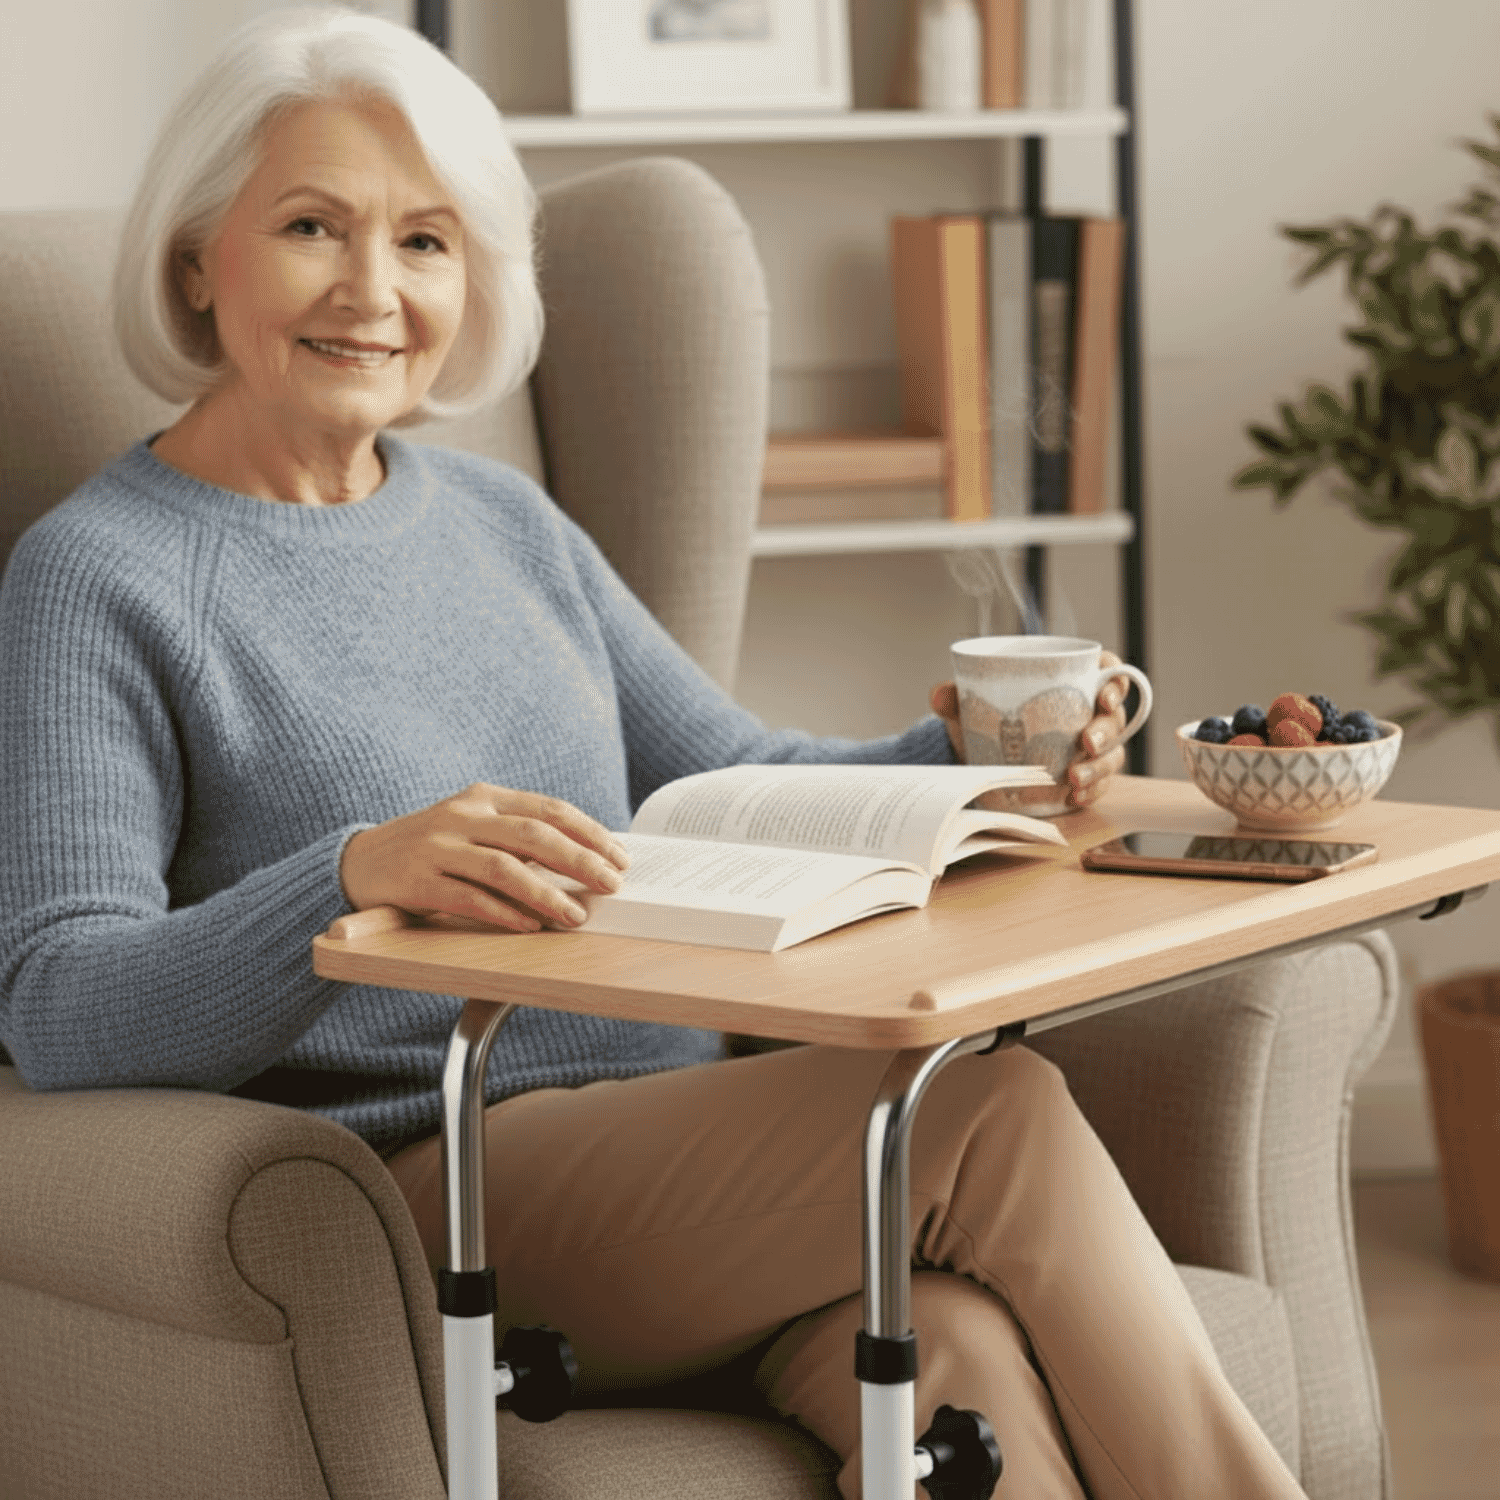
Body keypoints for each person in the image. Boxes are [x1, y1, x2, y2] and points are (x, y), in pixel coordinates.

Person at [0, 10, 1304, 1499]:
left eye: (426, 242)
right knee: (974, 1115)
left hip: (704, 1167)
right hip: (446, 1184)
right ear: (193, 260)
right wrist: (351, 878)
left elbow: (727, 772)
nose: (374, 290)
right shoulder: (98, 576)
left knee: (963, 1368)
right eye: (313, 226)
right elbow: (59, 1004)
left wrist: (961, 770)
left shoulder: (503, 524)